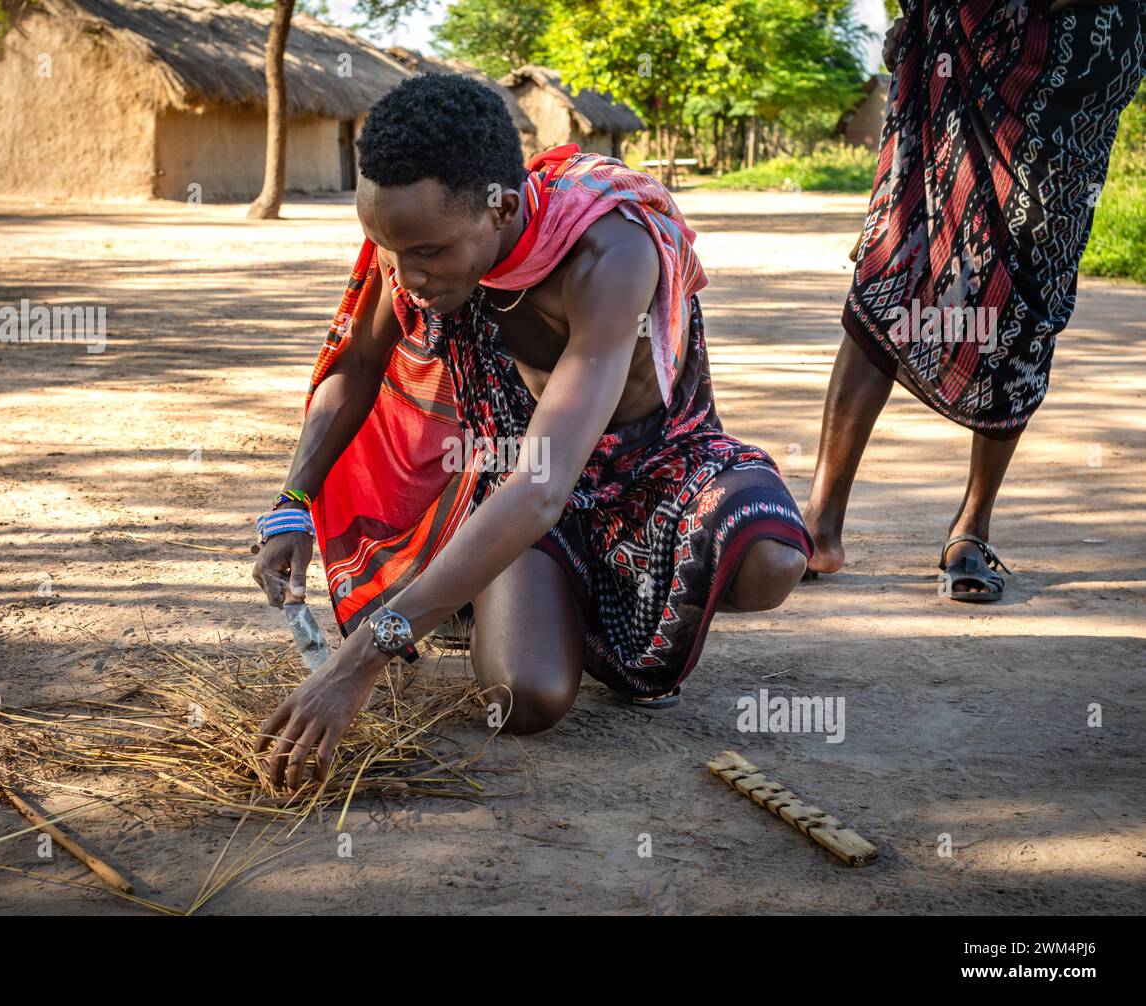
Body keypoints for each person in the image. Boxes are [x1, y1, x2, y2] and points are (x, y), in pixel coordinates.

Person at [252, 73, 812, 791]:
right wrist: (294, 499)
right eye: (389, 249)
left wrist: (363, 655)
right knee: (526, 698)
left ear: (503, 209)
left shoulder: (610, 250)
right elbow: (358, 359)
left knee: (771, 559)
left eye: (427, 253)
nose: (405, 275)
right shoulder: (409, 241)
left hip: (656, 469)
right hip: (513, 474)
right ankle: (496, 591)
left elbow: (547, 485)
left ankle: (505, 593)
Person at [805, 0, 1145, 601]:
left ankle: (971, 530)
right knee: (895, 264)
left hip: (1074, 72)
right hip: (965, 44)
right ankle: (820, 524)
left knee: (1025, 296)